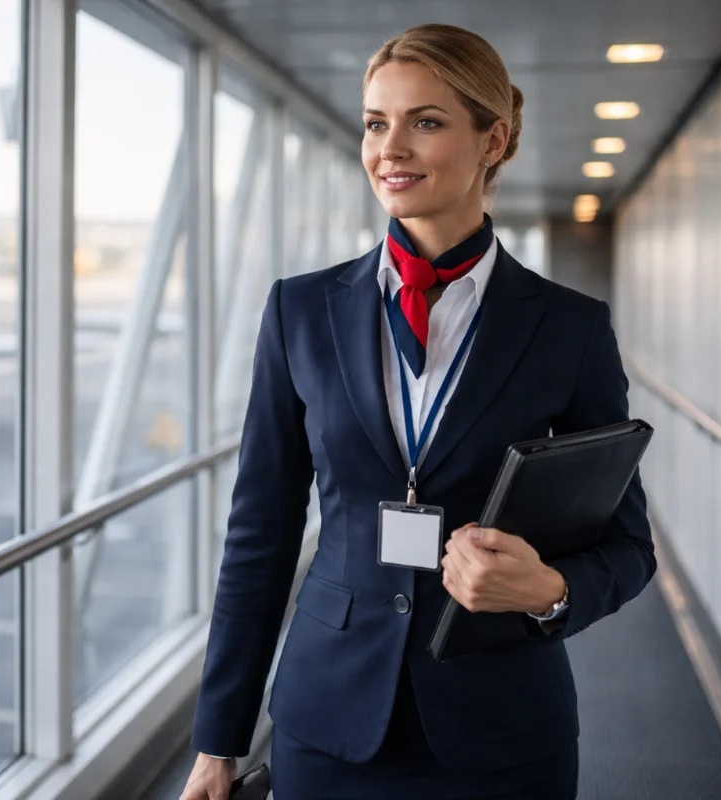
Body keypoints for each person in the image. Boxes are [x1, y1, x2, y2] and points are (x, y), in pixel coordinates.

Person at [180, 22, 655, 800]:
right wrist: (217, 740)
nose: (388, 148)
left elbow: (629, 548)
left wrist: (548, 591)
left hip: (501, 724)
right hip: (326, 719)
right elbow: (259, 535)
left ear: (492, 139)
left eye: (425, 121)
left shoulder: (569, 328)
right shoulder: (300, 312)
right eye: (376, 123)